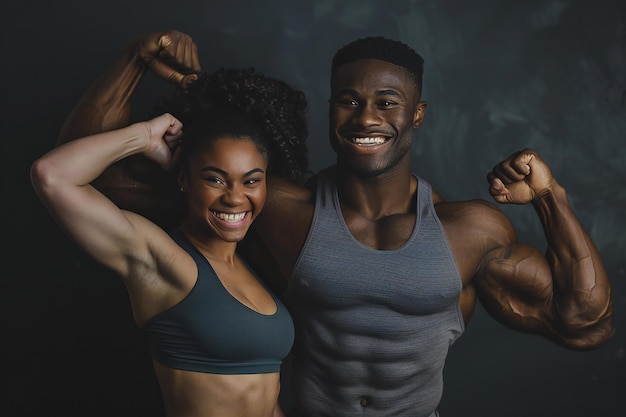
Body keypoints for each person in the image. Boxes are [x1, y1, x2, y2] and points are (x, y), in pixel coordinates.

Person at [56, 30, 614, 417]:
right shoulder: (271, 205)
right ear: (329, 110)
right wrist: (135, 56)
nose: (366, 117)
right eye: (348, 100)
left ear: (417, 114)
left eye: (387, 102)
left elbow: (582, 323)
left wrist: (550, 197)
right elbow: (94, 181)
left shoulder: (470, 232)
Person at [31, 63, 311, 417]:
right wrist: (144, 137)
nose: (236, 198)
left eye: (251, 181)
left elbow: (264, 398)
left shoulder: (254, 268)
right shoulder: (162, 257)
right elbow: (51, 176)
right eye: (216, 179)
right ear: (184, 180)